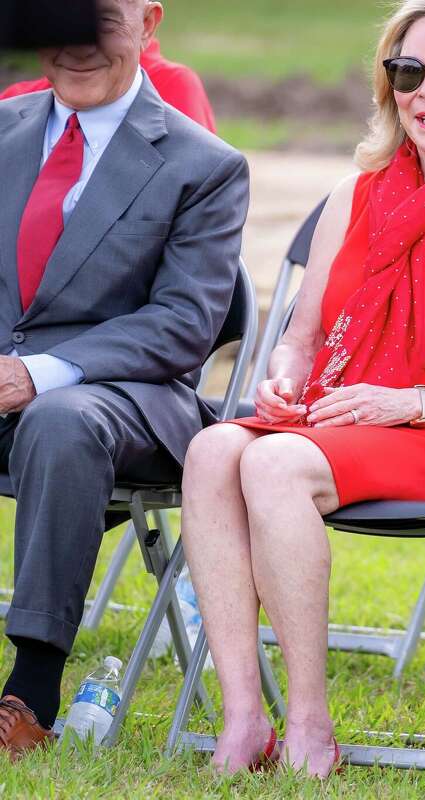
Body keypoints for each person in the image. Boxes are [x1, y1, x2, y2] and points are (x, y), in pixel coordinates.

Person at [180, 0, 425, 779]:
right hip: (349, 416)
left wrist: (412, 402)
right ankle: (244, 716)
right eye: (407, 71)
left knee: (270, 464)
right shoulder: (355, 196)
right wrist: (286, 376)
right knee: (213, 447)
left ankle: (310, 723)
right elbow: (301, 337)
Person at [0, 0, 247, 757]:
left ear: (147, 21)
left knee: (62, 419)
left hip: (130, 398)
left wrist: (36, 375)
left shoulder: (204, 165)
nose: (76, 46)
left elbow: (182, 325)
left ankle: (29, 694)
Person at [2, 35, 217, 133]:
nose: (80, 50)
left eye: (107, 21)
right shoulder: (15, 103)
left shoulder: (170, 85)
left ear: (147, 22)